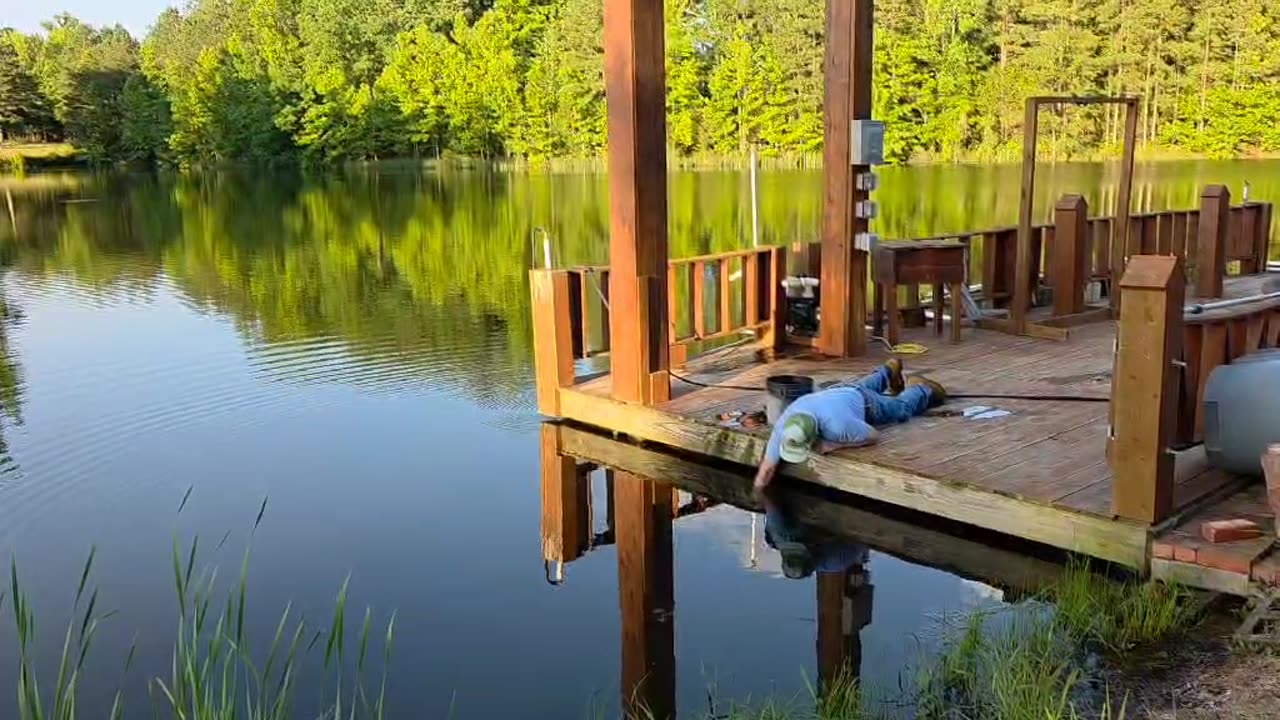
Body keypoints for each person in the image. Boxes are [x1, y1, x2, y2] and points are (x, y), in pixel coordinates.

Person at [753, 358, 945, 493]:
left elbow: (873, 435)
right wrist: (758, 493)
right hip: (838, 393)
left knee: (900, 410)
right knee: (859, 387)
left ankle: (921, 387)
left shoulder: (838, 427)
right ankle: (887, 371)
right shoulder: (784, 425)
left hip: (866, 404)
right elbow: (767, 469)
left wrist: (835, 445)